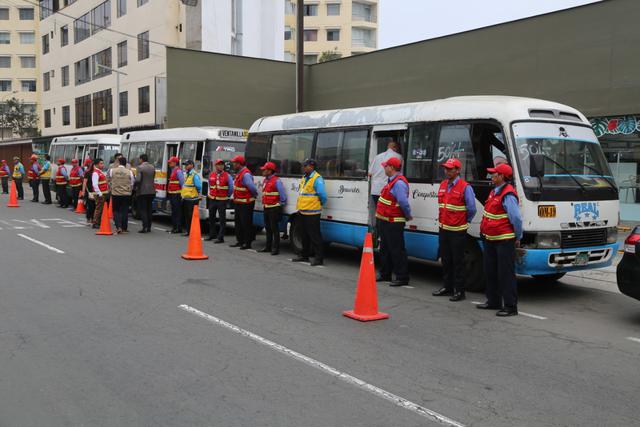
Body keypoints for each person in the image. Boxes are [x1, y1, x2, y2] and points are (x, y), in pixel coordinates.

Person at [478, 163, 523, 317]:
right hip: (490, 239)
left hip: (504, 240)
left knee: (505, 274)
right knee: (490, 271)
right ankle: (493, 301)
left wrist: (518, 237)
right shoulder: (494, 192)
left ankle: (510, 307)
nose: (492, 176)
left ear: (502, 176)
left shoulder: (508, 195)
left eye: (494, 174)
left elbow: (516, 218)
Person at [432, 158, 477, 302]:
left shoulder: (465, 187)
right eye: (446, 168)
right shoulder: (444, 184)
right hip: (444, 229)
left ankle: (459, 291)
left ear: (457, 171)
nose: (447, 171)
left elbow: (471, 209)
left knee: (458, 262)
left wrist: (464, 221)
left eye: (450, 169)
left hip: (458, 231)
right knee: (446, 260)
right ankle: (447, 287)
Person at [375, 157, 412, 286]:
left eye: (385, 166)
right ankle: (385, 274)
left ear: (391, 167)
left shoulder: (399, 183)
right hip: (386, 221)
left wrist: (407, 215)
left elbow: (403, 202)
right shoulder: (392, 181)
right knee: (385, 248)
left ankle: (402, 277)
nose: (384, 168)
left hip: (394, 222)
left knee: (397, 250)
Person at [292, 159, 327, 266]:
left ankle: (319, 258)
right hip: (302, 211)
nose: (303, 167)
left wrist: (318, 204)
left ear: (311, 167)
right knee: (304, 235)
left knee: (315, 236)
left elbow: (323, 195)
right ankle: (304, 255)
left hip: (312, 213)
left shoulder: (317, 178)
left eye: (305, 166)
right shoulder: (304, 177)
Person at [230, 155, 258, 249]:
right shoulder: (239, 173)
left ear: (239, 164)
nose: (233, 165)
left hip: (246, 204)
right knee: (238, 223)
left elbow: (252, 188)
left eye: (234, 163)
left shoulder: (245, 174)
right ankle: (240, 241)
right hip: (239, 203)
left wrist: (254, 195)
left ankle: (247, 243)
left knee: (245, 224)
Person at [259, 161, 287, 255]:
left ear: (270, 171)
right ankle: (268, 247)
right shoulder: (265, 180)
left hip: (274, 208)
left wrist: (280, 204)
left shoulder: (277, 181)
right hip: (266, 207)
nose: (263, 171)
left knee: (275, 229)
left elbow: (283, 195)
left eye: (265, 170)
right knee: (268, 228)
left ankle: (276, 248)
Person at [206, 159, 233, 243]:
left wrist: (227, 196)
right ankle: (212, 234)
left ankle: (220, 237)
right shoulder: (212, 174)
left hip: (222, 200)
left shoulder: (227, 176)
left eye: (222, 164)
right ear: (215, 166)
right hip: (213, 199)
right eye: (218, 164)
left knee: (222, 219)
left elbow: (231, 188)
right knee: (211, 218)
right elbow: (210, 185)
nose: (220, 166)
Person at [369, 140, 403, 207]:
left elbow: (370, 173)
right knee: (387, 212)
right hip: (388, 190)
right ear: (395, 148)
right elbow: (401, 174)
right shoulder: (399, 157)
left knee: (379, 211)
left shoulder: (377, 157)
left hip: (375, 190)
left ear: (388, 147)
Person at [110, 157, 135, 234]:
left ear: (118, 163)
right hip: (126, 194)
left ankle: (118, 226)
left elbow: (110, 180)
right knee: (125, 210)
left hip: (115, 193)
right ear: (125, 163)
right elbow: (132, 182)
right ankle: (124, 228)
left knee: (116, 210)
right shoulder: (129, 172)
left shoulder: (112, 171)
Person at [135, 154, 156, 233]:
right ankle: (149, 227)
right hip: (151, 190)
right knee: (149, 209)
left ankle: (145, 227)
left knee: (143, 209)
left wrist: (135, 185)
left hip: (142, 191)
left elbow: (138, 180)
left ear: (141, 159)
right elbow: (153, 177)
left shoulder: (140, 167)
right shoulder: (152, 167)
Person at [181, 160, 202, 236]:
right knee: (187, 216)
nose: (185, 166)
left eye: (187, 165)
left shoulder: (194, 175)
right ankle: (188, 231)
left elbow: (199, 186)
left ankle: (191, 232)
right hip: (187, 199)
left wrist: (199, 194)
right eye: (185, 165)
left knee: (191, 217)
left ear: (192, 165)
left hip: (192, 200)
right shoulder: (187, 174)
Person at [166, 156, 184, 234]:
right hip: (173, 194)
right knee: (174, 211)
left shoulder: (178, 171)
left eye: (170, 162)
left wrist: (182, 194)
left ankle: (177, 228)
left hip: (176, 194)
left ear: (174, 163)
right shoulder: (173, 170)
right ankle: (174, 227)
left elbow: (182, 183)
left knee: (177, 212)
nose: (169, 163)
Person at [91, 159, 109, 229]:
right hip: (99, 194)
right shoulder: (95, 173)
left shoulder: (99, 172)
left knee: (100, 208)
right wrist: (99, 193)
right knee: (99, 208)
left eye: (102, 163)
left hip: (102, 193)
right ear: (96, 164)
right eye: (101, 163)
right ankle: (95, 223)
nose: (102, 165)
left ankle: (97, 222)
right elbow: (95, 184)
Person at [82, 159, 95, 225]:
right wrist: (83, 191)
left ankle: (93, 218)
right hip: (89, 191)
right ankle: (88, 218)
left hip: (95, 192)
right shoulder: (88, 172)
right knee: (89, 205)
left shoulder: (97, 173)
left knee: (94, 206)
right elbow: (84, 182)